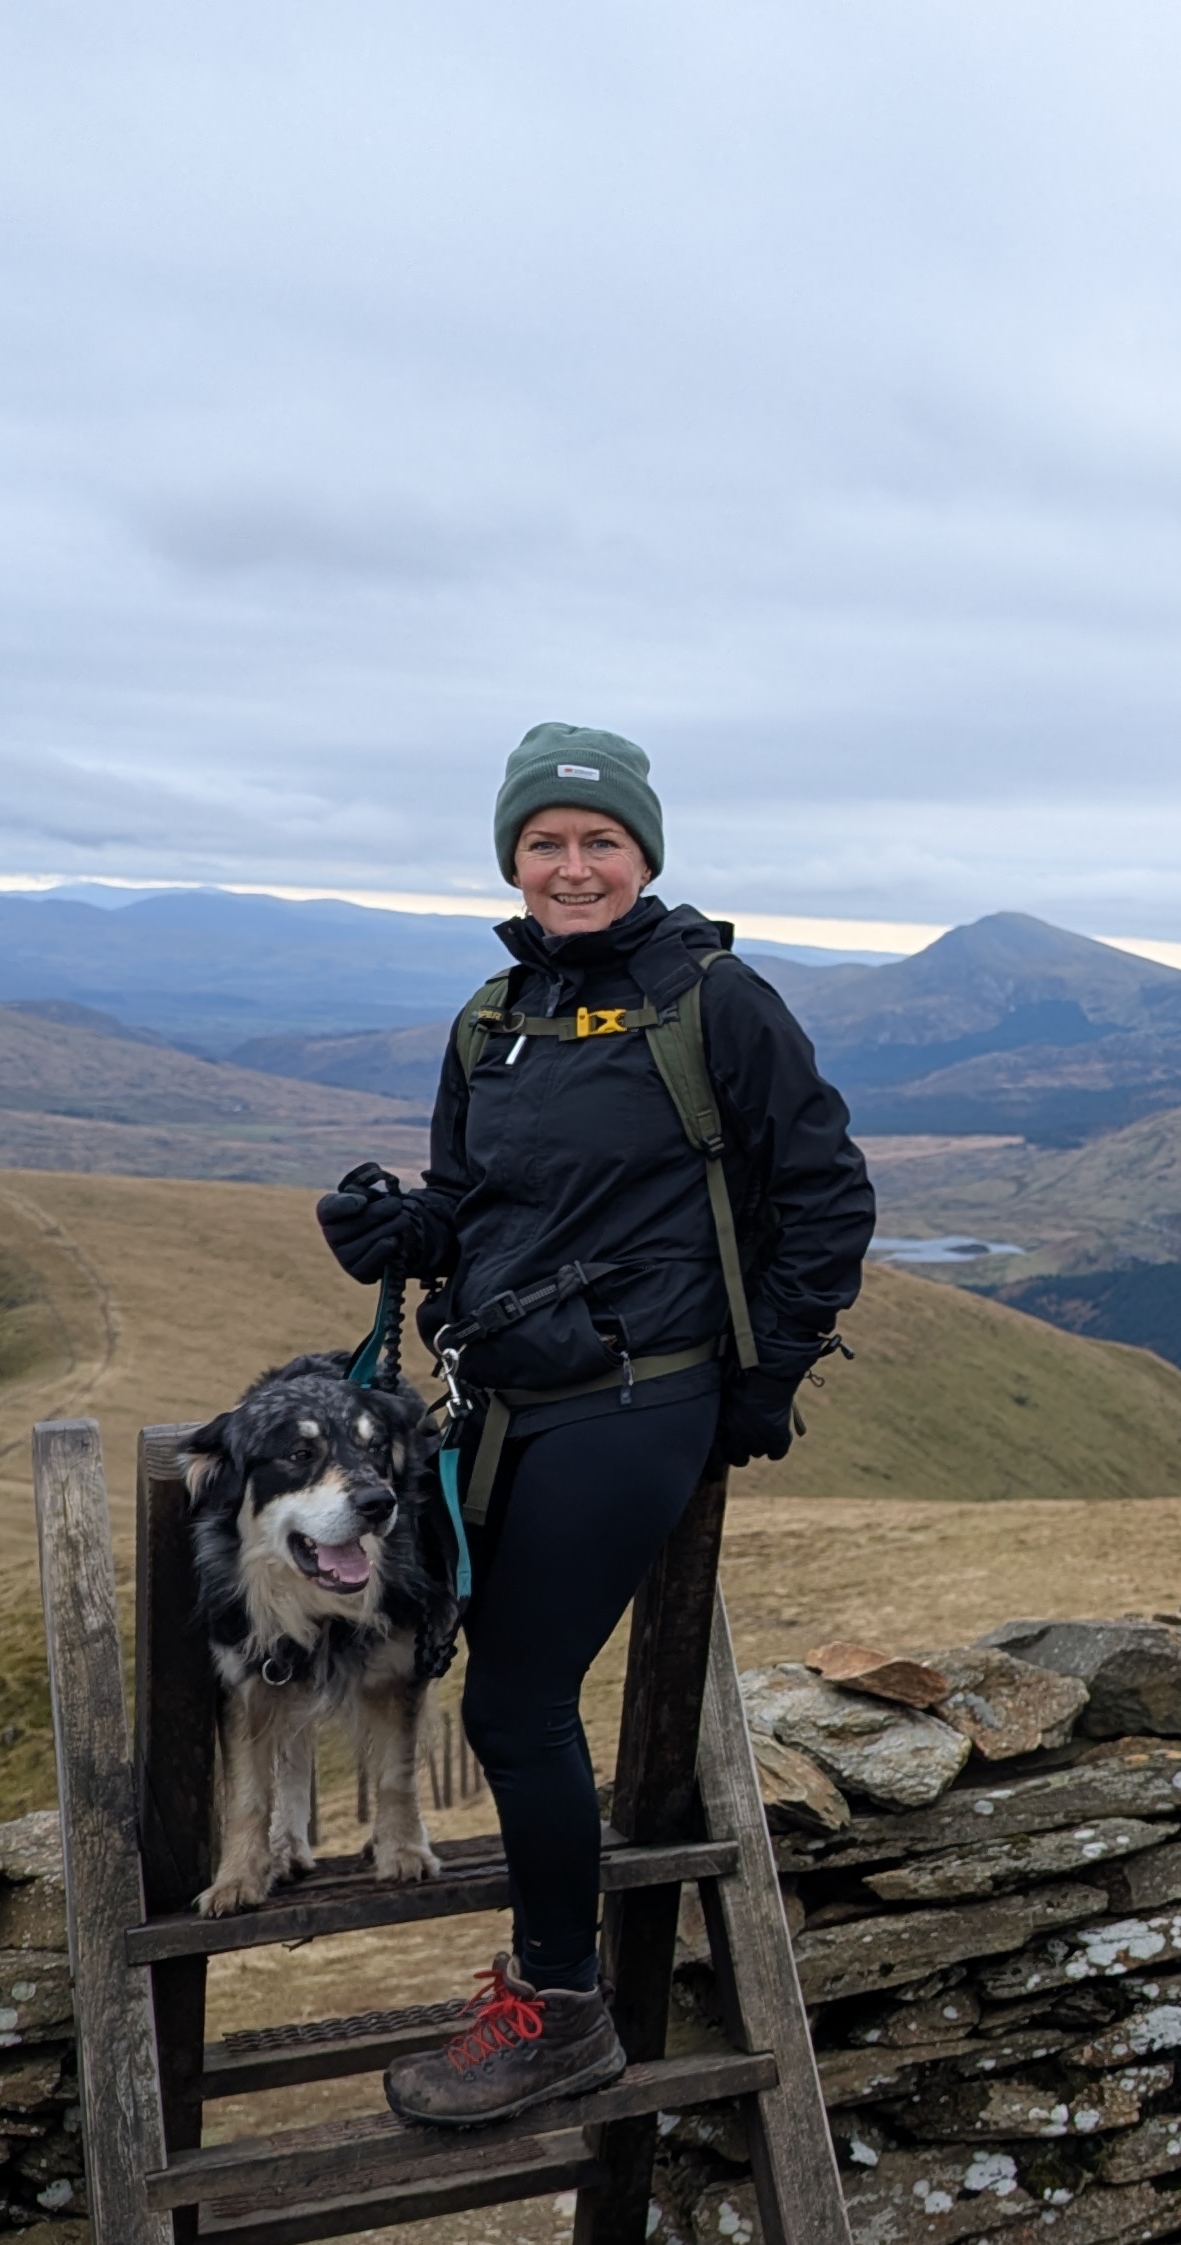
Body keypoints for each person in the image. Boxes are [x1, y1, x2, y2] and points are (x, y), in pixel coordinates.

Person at [313, 722, 873, 2126]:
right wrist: (397, 1227)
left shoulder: (716, 1003)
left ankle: (560, 2007)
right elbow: (474, 1199)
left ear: (645, 855)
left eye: (599, 842)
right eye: (546, 843)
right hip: (508, 1396)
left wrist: (767, 1379)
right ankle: (549, 1979)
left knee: (512, 1700)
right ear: (514, 856)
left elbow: (825, 1191)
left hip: (637, 1399)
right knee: (480, 1680)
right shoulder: (493, 1019)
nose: (572, 867)